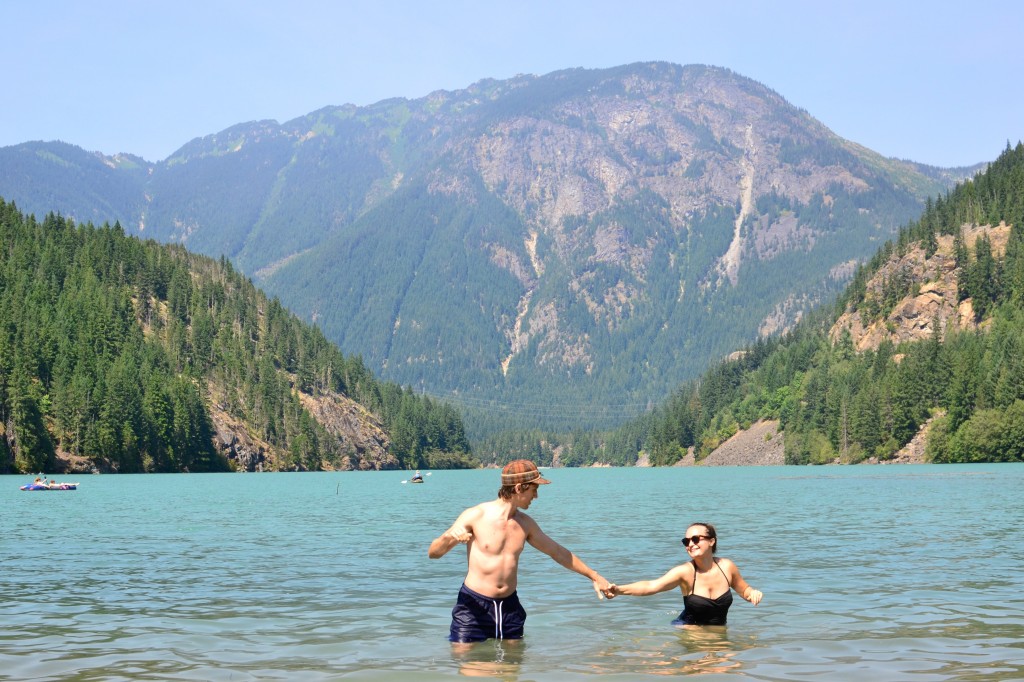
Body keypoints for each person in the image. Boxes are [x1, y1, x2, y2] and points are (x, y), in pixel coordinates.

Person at [428, 459, 612, 643]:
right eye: (534, 490)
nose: (536, 496)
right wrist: (448, 538)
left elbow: (558, 552)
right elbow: (433, 553)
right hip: (473, 606)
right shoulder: (476, 516)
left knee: (512, 667)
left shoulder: (526, 524)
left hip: (509, 608)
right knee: (468, 665)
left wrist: (595, 576)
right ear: (519, 488)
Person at [607, 522, 762, 626]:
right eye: (686, 541)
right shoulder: (685, 572)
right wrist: (618, 590)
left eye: (695, 539)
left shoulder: (727, 567)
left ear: (712, 541)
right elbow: (652, 586)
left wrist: (753, 593)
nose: (690, 544)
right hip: (689, 630)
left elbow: (745, 591)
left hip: (718, 632)